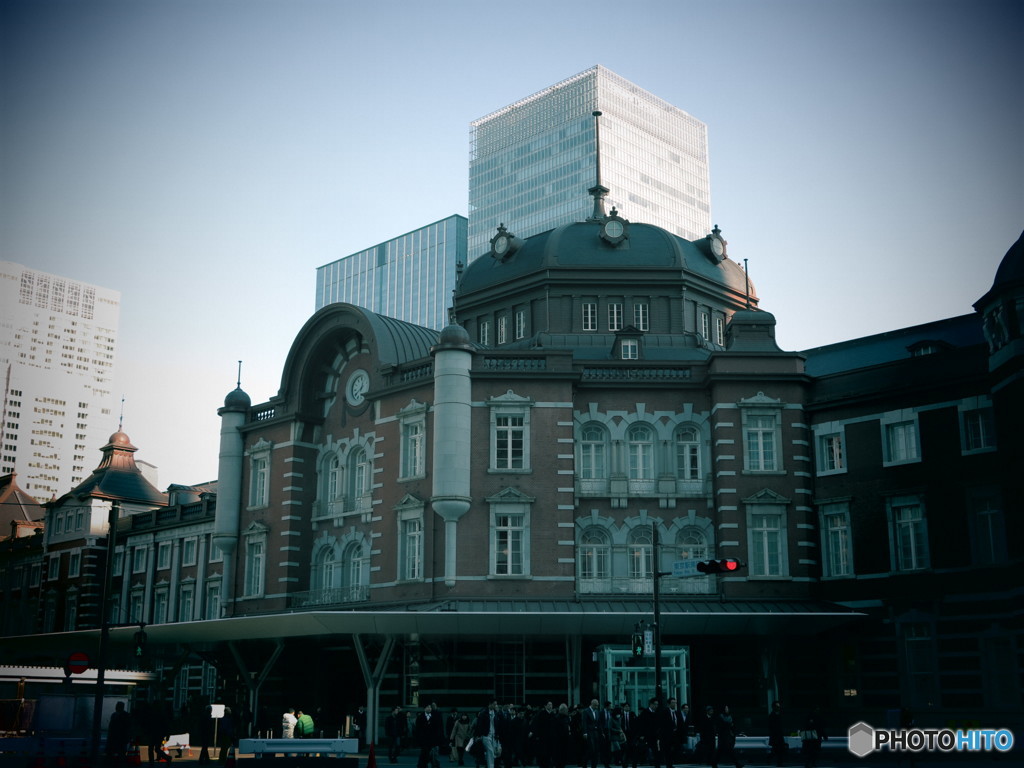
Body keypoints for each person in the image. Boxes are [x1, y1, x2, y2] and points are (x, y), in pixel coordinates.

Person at [472, 701, 501, 768]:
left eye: (496, 704)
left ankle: (489, 765)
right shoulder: (483, 713)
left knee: (493, 752)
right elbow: (479, 725)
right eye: (494, 704)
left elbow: (498, 725)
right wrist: (478, 735)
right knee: (490, 751)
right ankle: (491, 766)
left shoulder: (496, 713)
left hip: (494, 735)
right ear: (490, 704)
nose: (495, 706)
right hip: (486, 735)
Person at [767, 702, 785, 766]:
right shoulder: (771, 716)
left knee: (778, 750)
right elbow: (771, 727)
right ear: (773, 707)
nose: (778, 708)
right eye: (777, 706)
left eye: (779, 706)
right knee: (777, 750)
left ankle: (776, 761)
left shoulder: (779, 715)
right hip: (775, 736)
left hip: (779, 735)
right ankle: (778, 762)